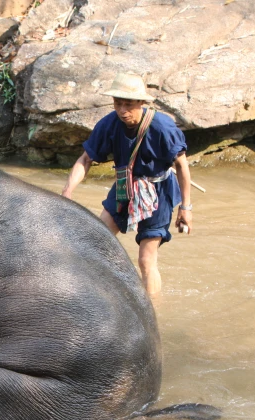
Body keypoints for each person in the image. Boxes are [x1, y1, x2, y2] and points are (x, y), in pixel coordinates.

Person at [61, 72, 193, 296]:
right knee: (96, 241)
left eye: (129, 104)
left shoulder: (162, 128)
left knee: (145, 260)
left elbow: (181, 166)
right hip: (126, 185)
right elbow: (85, 159)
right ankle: (95, 294)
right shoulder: (109, 124)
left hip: (158, 191)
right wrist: (67, 192)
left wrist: (185, 207)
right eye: (117, 103)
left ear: (141, 102)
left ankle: (153, 313)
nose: (122, 111)